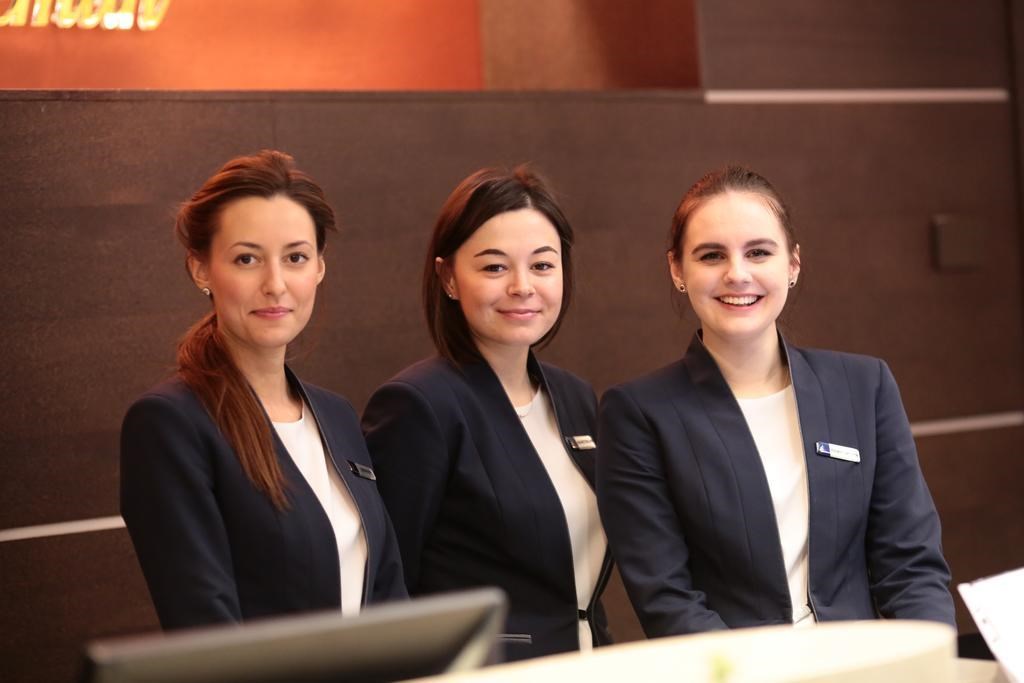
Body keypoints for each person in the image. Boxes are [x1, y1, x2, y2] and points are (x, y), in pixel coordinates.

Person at [596, 165, 956, 637]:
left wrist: (928, 663)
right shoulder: (639, 414)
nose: (737, 274)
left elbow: (911, 566)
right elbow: (667, 598)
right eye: (711, 256)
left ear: (793, 264)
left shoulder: (864, 386)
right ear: (677, 270)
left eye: (759, 252)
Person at [120, 150, 406, 630]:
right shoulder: (170, 423)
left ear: (318, 267)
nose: (275, 284)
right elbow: (205, 627)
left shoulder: (335, 415)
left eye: (295, 257)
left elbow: (388, 592)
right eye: (247, 259)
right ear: (200, 269)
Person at [361, 166, 612, 661]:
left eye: (542, 265)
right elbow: (389, 588)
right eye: (494, 267)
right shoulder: (419, 405)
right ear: (449, 278)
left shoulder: (574, 397)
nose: (522, 286)